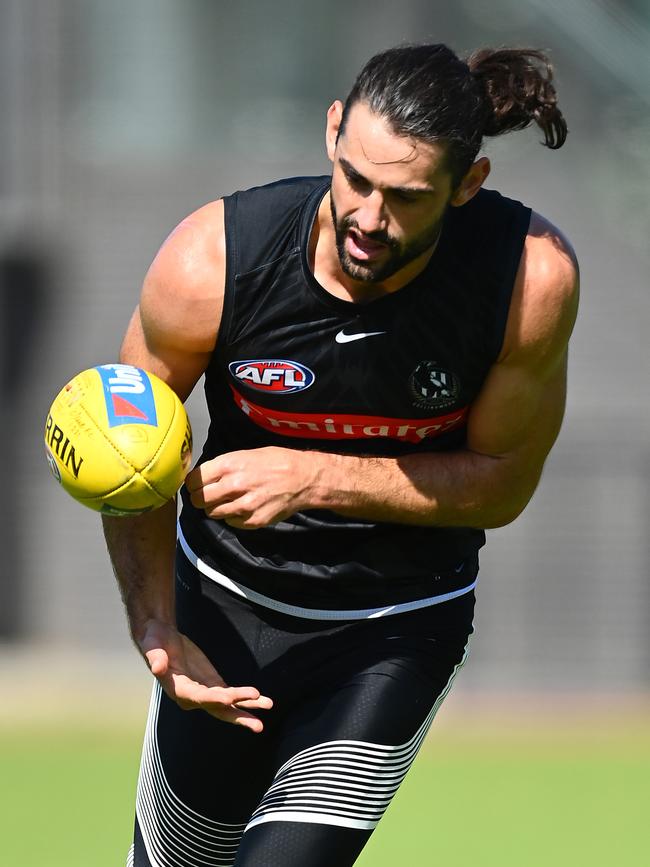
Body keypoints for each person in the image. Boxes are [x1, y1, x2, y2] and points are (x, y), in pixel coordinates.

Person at [103, 43, 579, 867]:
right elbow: (130, 451)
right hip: (220, 608)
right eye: (356, 178)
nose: (367, 216)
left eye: (405, 197)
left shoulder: (527, 279)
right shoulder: (211, 260)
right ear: (331, 132)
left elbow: (502, 485)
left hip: (389, 630)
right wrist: (153, 620)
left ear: (467, 186)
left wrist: (314, 473)